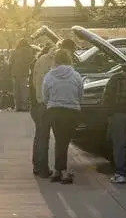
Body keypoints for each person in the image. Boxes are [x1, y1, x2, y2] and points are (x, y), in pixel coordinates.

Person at [42, 48, 84, 184]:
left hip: (54, 111)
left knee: (60, 140)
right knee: (64, 141)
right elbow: (80, 94)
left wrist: (51, 103)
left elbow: (44, 96)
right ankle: (63, 172)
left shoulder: (49, 75)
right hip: (71, 111)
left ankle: (57, 171)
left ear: (56, 60)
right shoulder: (76, 75)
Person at [30, 43, 55, 177]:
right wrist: (42, 100)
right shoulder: (46, 62)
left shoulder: (38, 62)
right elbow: (40, 83)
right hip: (43, 104)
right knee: (43, 137)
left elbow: (35, 82)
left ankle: (38, 166)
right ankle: (42, 168)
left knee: (40, 136)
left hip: (38, 103)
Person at [10, 38, 36, 112]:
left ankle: (18, 106)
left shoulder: (15, 51)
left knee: (17, 90)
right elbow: (32, 60)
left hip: (15, 73)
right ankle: (25, 106)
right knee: (24, 90)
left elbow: (10, 61)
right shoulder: (30, 51)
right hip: (25, 73)